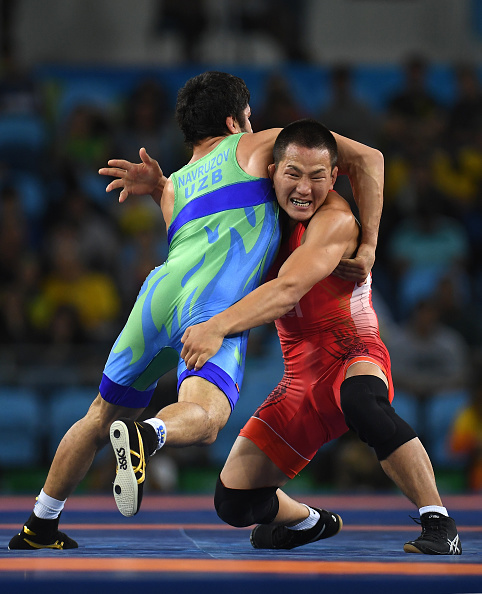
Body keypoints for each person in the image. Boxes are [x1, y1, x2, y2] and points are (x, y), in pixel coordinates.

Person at [8, 71, 383, 550]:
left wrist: (159, 185)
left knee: (99, 415)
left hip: (155, 296)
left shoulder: (175, 185)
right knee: (207, 418)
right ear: (235, 120)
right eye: (249, 118)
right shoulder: (257, 145)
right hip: (211, 303)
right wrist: (368, 244)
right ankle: (148, 436)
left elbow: (192, 229)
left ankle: (40, 523)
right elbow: (368, 159)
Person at [180, 119, 462, 555]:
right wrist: (163, 186)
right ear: (272, 171)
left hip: (352, 351)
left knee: (362, 402)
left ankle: (440, 523)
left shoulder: (335, 218)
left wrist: (216, 327)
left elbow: (288, 289)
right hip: (300, 379)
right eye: (294, 174)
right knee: (233, 501)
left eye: (317, 177)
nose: (305, 189)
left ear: (334, 177)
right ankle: (309, 522)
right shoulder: (258, 216)